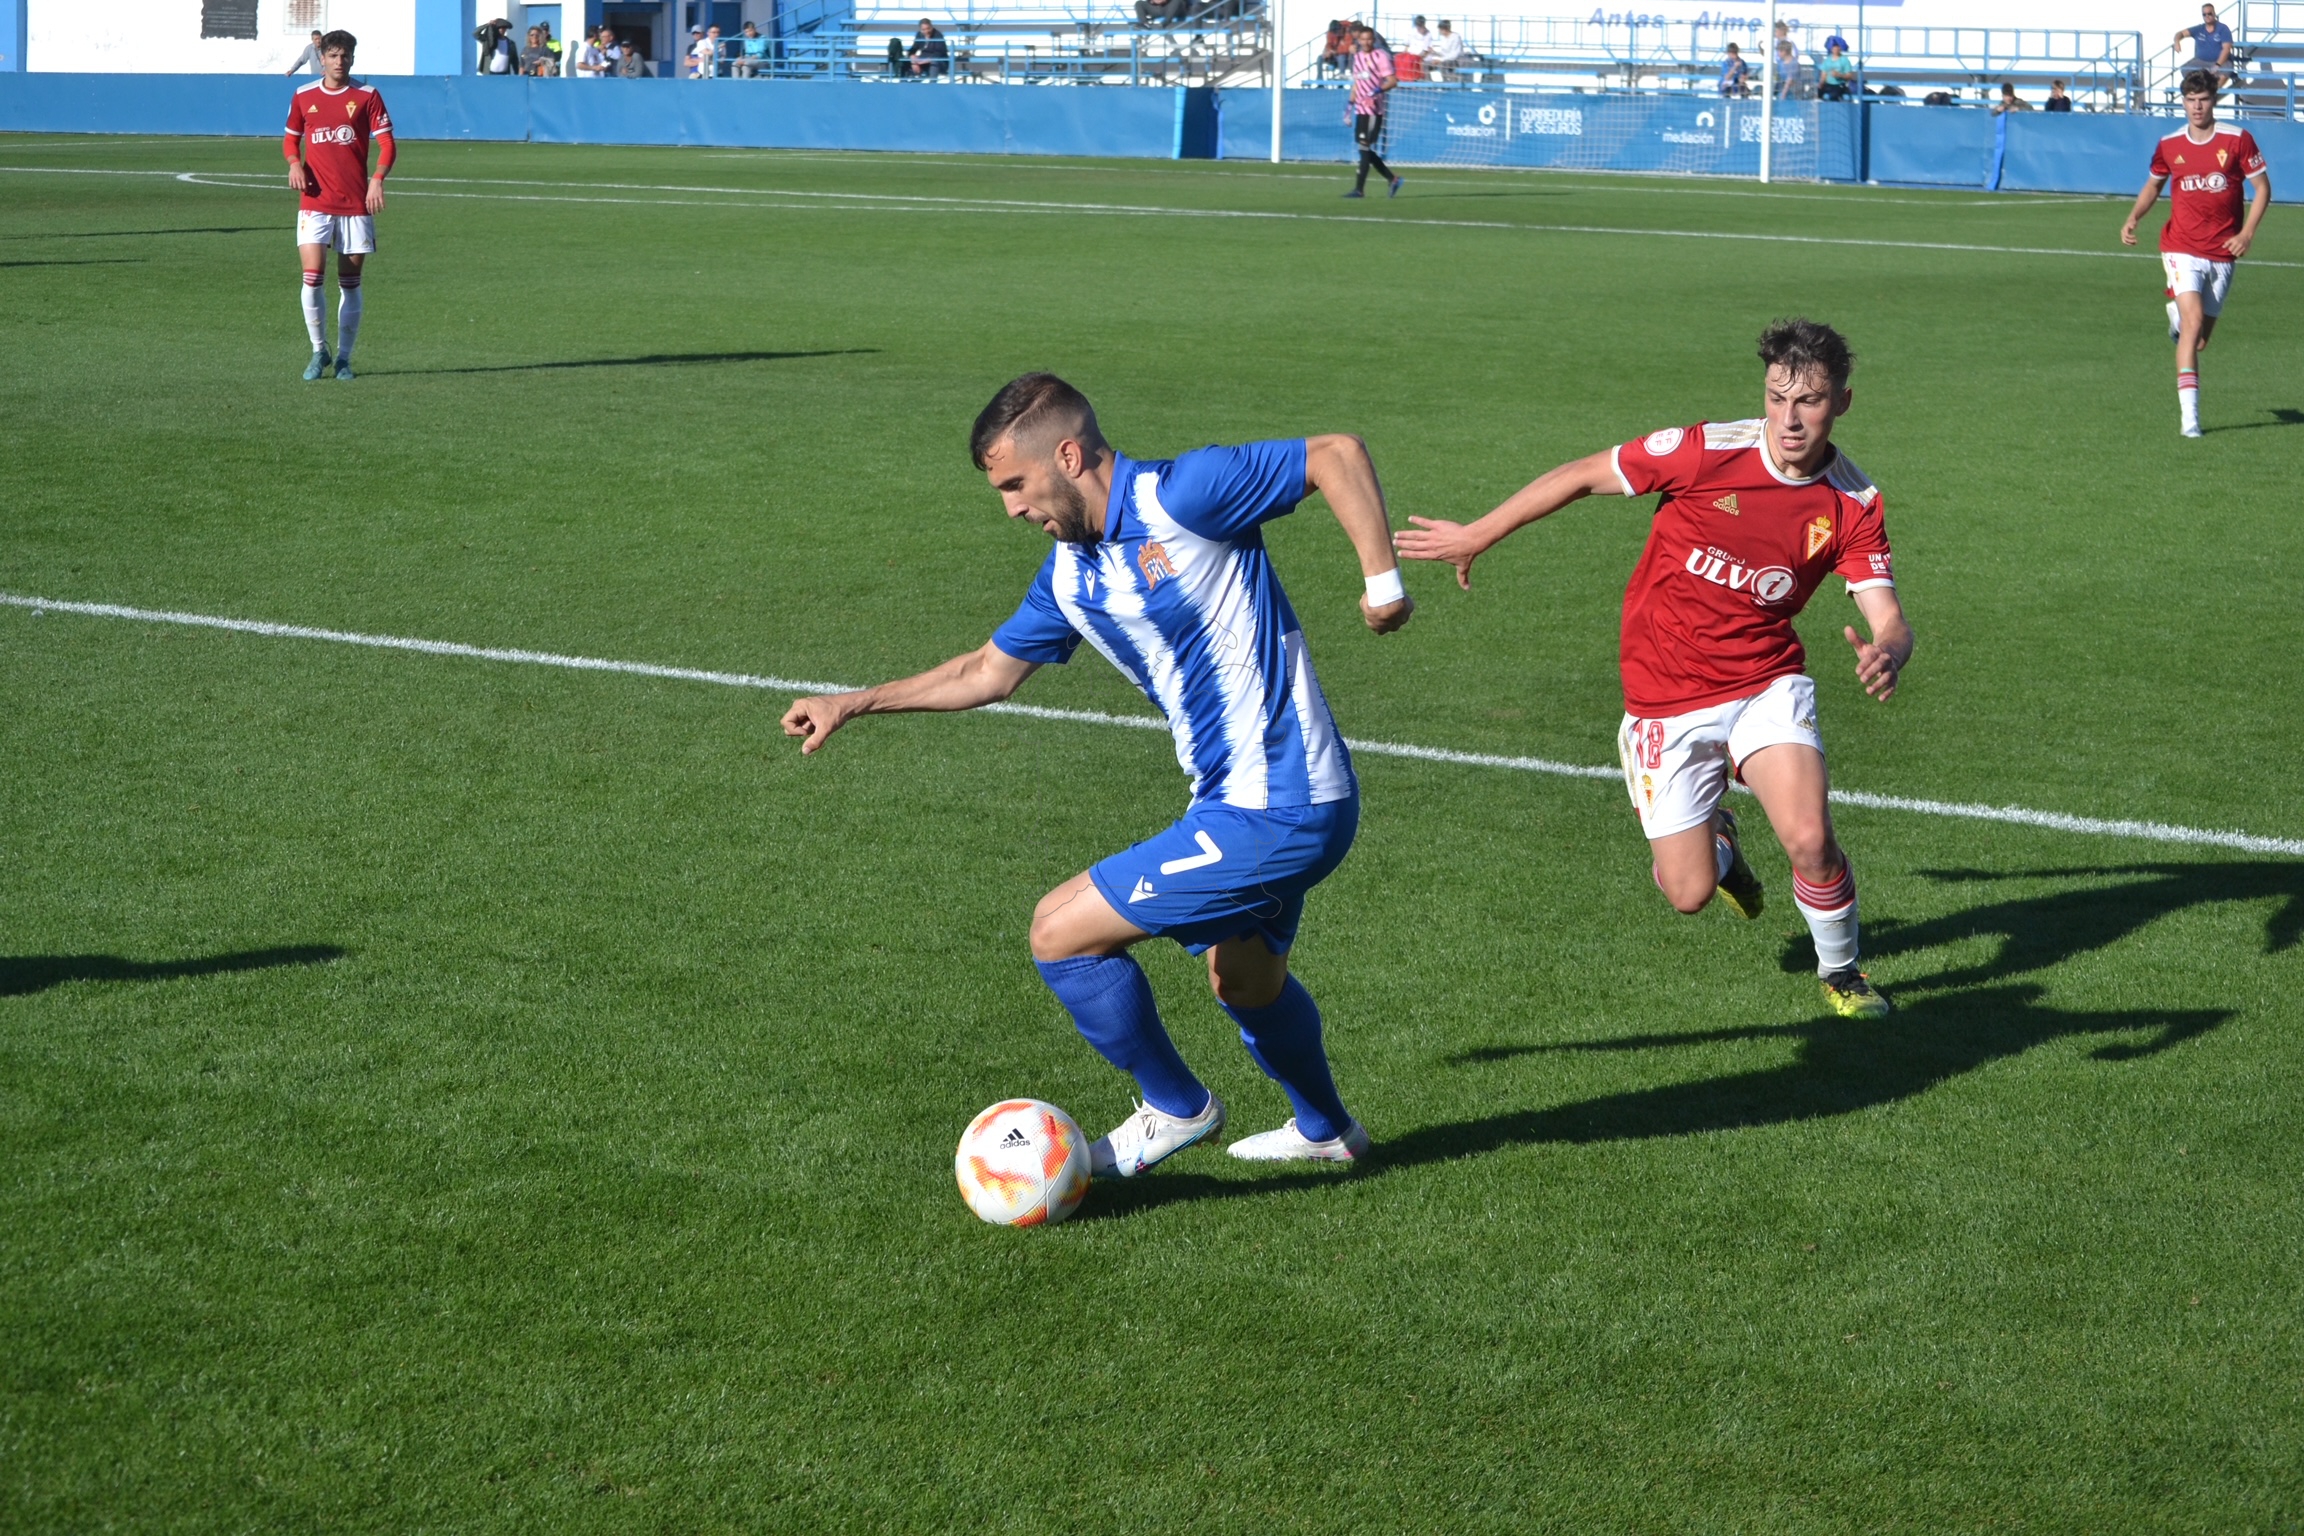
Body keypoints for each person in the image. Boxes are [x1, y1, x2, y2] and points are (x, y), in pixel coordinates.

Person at [780, 375, 1415, 1173]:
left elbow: (1335, 455)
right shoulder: (1069, 575)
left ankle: (1176, 1108)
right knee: (1245, 982)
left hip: (1278, 806)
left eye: (1016, 484)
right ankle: (1329, 1132)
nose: (1012, 508)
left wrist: (1383, 585)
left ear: (1070, 456)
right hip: (1249, 803)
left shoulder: (1182, 496)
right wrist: (853, 702)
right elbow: (986, 671)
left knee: (1058, 932)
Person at [1396, 319, 1911, 1020]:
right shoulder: (1704, 452)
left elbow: (1888, 617)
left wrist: (1888, 651)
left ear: (1841, 403)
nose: (1790, 419)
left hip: (1764, 682)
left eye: (1810, 401)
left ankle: (1842, 972)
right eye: (1777, 398)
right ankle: (1720, 841)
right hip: (1664, 694)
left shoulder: (1853, 502)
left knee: (1811, 839)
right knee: (1688, 893)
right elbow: (1584, 474)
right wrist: (1478, 534)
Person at [2120, 70, 2271, 437]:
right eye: (2190, 100)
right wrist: (2133, 217)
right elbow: (2153, 185)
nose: (2197, 106)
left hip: (2222, 251)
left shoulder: (2237, 140)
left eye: (2203, 99)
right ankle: (2191, 420)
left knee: (2200, 340)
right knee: (2193, 325)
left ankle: (2175, 315)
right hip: (2181, 246)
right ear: (2183, 102)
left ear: (2213, 100)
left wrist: (2247, 234)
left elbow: (2263, 188)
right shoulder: (2169, 144)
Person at [283, 30, 391, 383]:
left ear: (352, 58)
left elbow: (388, 144)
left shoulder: (367, 95)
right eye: (333, 55)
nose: (339, 61)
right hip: (314, 200)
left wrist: (377, 179)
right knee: (312, 278)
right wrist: (294, 164)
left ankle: (344, 358)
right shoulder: (304, 96)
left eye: (345, 56)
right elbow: (290, 139)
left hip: (355, 203)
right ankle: (319, 350)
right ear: (322, 58)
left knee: (350, 283)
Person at [1343, 27, 1402, 199]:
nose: (1366, 42)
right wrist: (1348, 108)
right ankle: (1392, 179)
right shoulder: (1358, 57)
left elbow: (1392, 81)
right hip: (1360, 110)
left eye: (1369, 39)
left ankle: (1359, 190)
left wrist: (1374, 92)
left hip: (1374, 110)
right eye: (1363, 39)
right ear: (1359, 40)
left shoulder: (1380, 56)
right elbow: (1357, 84)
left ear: (1373, 40)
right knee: (1364, 149)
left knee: (1364, 148)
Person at [2178, 3, 2235, 86]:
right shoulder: (2199, 29)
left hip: (2220, 61)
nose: (2207, 16)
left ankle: (2213, 91)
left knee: (2226, 71)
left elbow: (2226, 49)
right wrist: (2177, 41)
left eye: (2209, 14)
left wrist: (2217, 65)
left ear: (2214, 14)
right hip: (2201, 61)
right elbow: (2180, 33)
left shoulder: (2223, 29)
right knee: (2185, 69)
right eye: (2204, 14)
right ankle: (2199, 88)